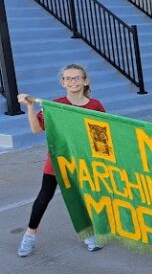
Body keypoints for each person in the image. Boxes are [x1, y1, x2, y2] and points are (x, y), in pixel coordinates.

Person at [16, 64, 105, 257]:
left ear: (85, 81)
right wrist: (30, 107)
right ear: (62, 82)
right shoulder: (55, 106)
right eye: (68, 78)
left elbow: (102, 136)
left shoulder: (95, 105)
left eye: (77, 78)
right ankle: (29, 236)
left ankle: (88, 234)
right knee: (44, 197)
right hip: (58, 161)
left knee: (83, 199)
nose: (73, 82)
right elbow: (36, 129)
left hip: (83, 162)